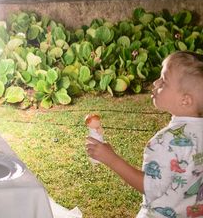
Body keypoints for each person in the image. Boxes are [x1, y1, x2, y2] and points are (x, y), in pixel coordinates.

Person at [86, 51, 203, 217]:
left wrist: (110, 158)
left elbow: (150, 187)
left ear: (185, 100)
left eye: (164, 81)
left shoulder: (166, 142)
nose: (155, 82)